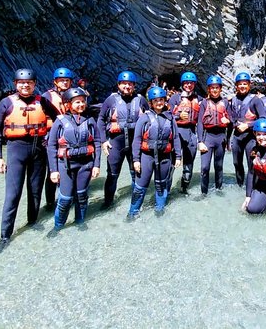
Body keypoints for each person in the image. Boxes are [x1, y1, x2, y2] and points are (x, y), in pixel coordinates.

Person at [0, 68, 57, 254]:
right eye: (21, 83)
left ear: (35, 84)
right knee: (13, 194)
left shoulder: (42, 102)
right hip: (16, 149)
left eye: (29, 82)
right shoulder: (6, 103)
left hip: (39, 150)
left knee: (35, 191)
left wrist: (54, 140)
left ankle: (32, 222)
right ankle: (5, 235)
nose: (25, 85)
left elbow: (59, 119)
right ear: (16, 84)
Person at [46, 87, 101, 236]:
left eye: (83, 102)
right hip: (66, 165)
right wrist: (54, 170)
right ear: (68, 104)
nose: (81, 105)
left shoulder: (90, 120)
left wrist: (96, 165)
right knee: (65, 199)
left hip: (85, 164)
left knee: (82, 196)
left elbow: (96, 142)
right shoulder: (60, 122)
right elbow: (51, 146)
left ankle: (80, 222)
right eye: (77, 102)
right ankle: (58, 226)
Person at [97, 71, 149, 209]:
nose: (127, 86)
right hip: (115, 142)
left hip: (135, 144)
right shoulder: (111, 100)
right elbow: (101, 120)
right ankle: (108, 204)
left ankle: (135, 204)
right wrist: (103, 140)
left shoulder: (141, 100)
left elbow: (151, 119)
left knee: (136, 173)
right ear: (119, 85)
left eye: (130, 84)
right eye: (124, 83)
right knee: (112, 175)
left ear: (134, 86)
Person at [129, 87, 182, 217]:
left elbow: (175, 138)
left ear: (165, 101)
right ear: (151, 103)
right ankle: (133, 212)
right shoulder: (144, 118)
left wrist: (178, 156)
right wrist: (136, 160)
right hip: (147, 157)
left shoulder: (170, 118)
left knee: (161, 185)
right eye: (156, 100)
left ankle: (159, 209)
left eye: (161, 100)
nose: (159, 103)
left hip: (165, 157)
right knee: (140, 188)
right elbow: (136, 140)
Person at [228, 72, 266, 187]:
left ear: (249, 85)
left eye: (245, 84)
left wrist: (248, 125)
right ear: (236, 86)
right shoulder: (233, 100)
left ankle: (252, 189)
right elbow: (230, 119)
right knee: (237, 163)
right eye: (240, 84)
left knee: (252, 164)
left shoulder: (255, 100)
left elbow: (264, 119)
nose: (242, 86)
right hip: (236, 136)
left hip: (250, 137)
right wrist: (227, 140)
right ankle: (240, 185)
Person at [41, 67, 74, 211]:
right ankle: (50, 202)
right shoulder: (47, 97)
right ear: (55, 82)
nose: (65, 83)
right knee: (52, 169)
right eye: (62, 80)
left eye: (67, 80)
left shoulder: (73, 95)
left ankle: (67, 196)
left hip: (69, 136)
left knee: (69, 167)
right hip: (51, 136)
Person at [168, 71, 203, 194]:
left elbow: (203, 117)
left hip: (192, 133)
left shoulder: (198, 99)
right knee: (172, 163)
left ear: (194, 84)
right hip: (177, 133)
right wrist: (178, 116)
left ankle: (184, 189)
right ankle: (166, 191)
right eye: (186, 83)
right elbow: (167, 117)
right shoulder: (174, 98)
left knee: (188, 164)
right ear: (182, 84)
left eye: (191, 83)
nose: (189, 85)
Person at [196, 75, 231, 194]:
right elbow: (200, 122)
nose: (215, 90)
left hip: (221, 137)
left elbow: (231, 123)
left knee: (219, 166)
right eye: (212, 88)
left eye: (217, 87)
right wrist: (200, 141)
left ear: (220, 89)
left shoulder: (225, 102)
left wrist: (228, 123)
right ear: (208, 89)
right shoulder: (204, 103)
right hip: (208, 137)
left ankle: (218, 189)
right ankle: (204, 193)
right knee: (204, 168)